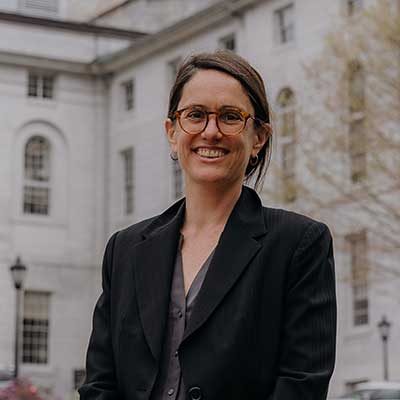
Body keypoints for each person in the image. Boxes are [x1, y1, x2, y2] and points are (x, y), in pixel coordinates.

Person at [79, 51, 336, 400]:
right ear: (172, 132)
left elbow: (300, 385)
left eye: (230, 117)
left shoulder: (299, 244)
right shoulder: (124, 250)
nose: (210, 132)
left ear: (258, 137)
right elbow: (99, 385)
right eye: (195, 115)